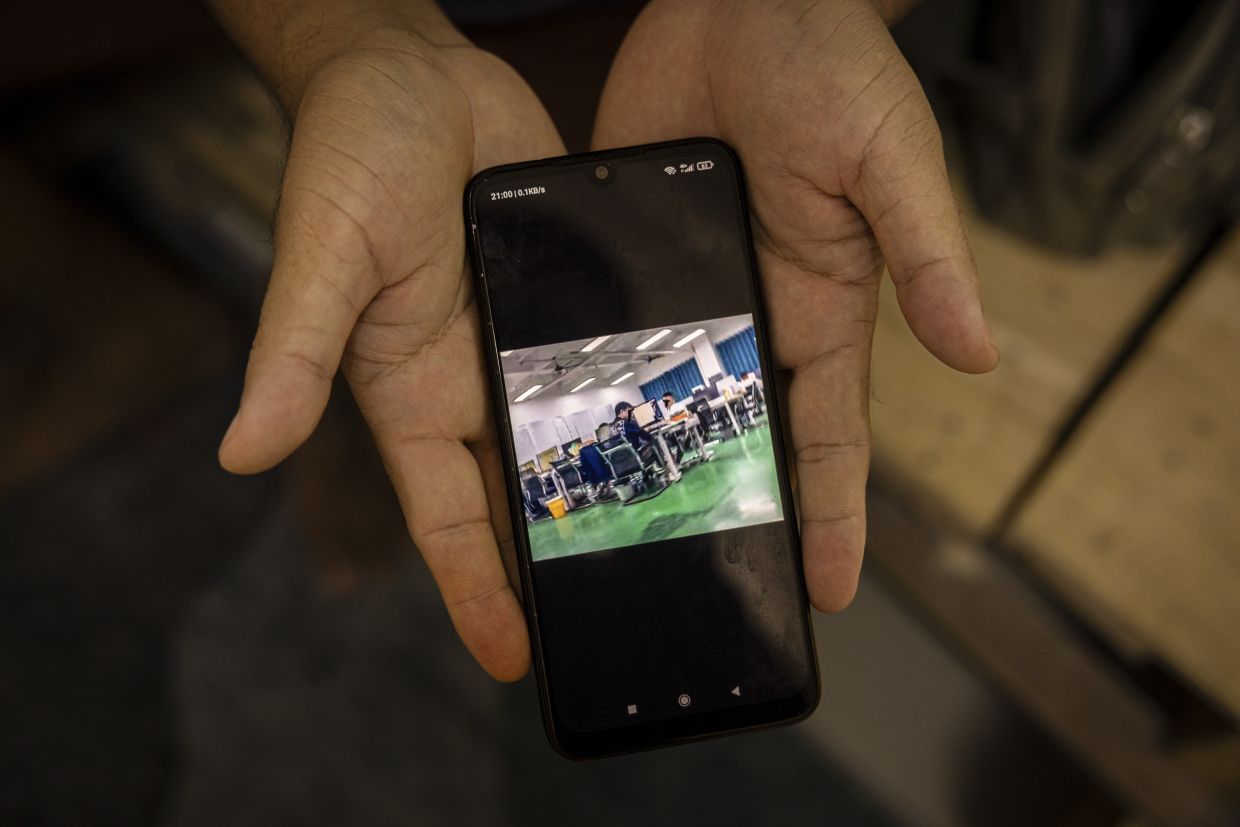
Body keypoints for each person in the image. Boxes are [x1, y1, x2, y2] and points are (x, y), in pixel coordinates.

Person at [209, 0, 999, 681]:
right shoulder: (593, 408)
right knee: (424, 371)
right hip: (442, 93)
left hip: (716, 86)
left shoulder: (637, 398)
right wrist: (345, 32)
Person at [609, 401, 659, 467]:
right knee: (656, 440)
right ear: (622, 411)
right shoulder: (625, 423)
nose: (631, 413)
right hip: (635, 457)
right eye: (629, 411)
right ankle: (661, 467)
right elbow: (645, 435)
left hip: (622, 463)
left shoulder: (611, 428)